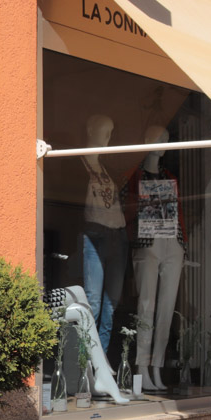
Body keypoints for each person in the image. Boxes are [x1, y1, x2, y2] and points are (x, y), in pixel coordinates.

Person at [127, 127, 185, 392]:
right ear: (146, 140)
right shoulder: (134, 175)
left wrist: (182, 243)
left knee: (166, 308)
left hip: (172, 241)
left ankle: (157, 367)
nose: (163, 143)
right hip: (146, 242)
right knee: (146, 306)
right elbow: (126, 209)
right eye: (159, 138)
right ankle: (142, 367)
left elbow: (178, 211)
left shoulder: (169, 177)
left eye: (166, 139)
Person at [80, 114, 127, 352]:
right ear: (90, 130)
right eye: (104, 130)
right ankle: (86, 361)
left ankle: (102, 359)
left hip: (117, 235)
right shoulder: (77, 162)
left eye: (111, 131)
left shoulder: (107, 169)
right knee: (93, 301)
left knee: (110, 304)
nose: (108, 137)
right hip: (95, 234)